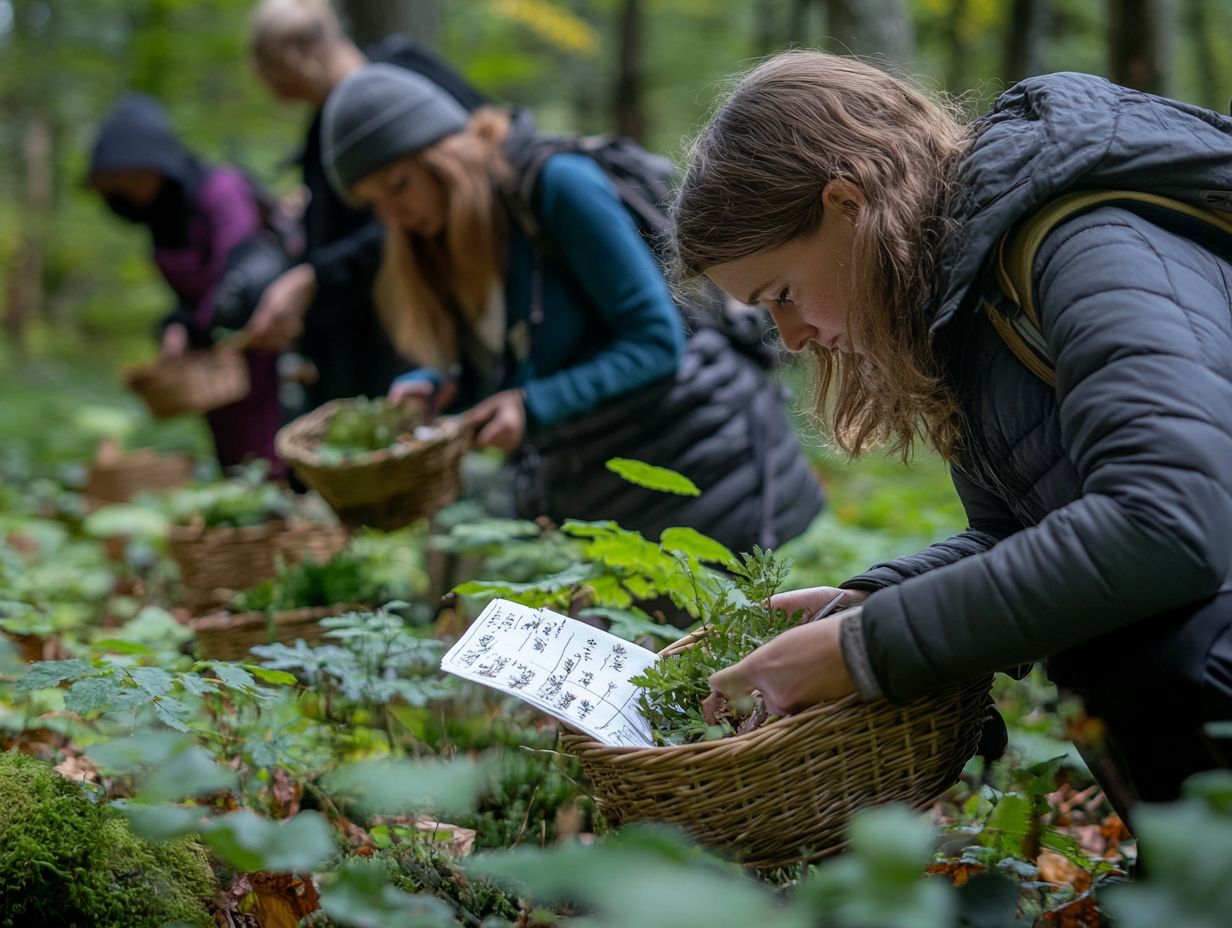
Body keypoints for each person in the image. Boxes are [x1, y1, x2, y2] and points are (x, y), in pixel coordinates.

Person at [677, 51, 1232, 821]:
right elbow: (1027, 535)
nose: (792, 338)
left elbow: (1167, 525)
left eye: (782, 295)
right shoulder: (967, 311)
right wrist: (869, 600)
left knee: (1145, 643)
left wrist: (862, 651)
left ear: (847, 201)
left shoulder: (1084, 247)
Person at [316, 63, 824, 555]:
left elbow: (656, 341)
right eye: (374, 203)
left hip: (701, 469)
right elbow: (522, 357)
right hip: (598, 491)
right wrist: (442, 385)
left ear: (443, 155)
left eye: (399, 185)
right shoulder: (444, 239)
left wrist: (532, 406)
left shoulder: (558, 185)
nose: (394, 214)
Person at [246, 0, 488, 408]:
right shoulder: (325, 120)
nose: (285, 98)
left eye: (286, 83)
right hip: (355, 338)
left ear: (303, 58)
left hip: (404, 325)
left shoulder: (401, 79)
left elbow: (461, 186)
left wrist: (317, 276)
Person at [88, 94, 284, 476]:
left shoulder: (221, 192)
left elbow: (238, 273)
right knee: (233, 451)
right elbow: (184, 298)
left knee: (272, 444)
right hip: (215, 365)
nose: (125, 192)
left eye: (131, 180)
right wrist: (176, 326)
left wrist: (194, 327)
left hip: (262, 342)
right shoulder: (161, 223)